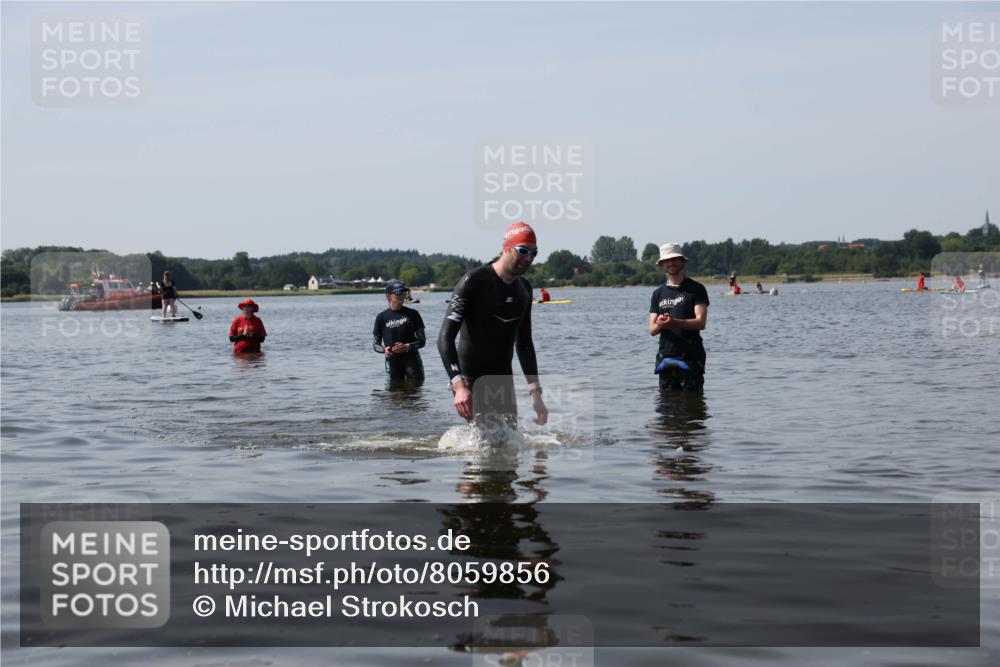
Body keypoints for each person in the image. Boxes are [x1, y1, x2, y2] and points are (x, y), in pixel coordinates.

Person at [438, 221, 548, 428]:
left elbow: (524, 343)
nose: (529, 258)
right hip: (471, 380)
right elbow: (445, 338)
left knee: (509, 447)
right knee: (482, 449)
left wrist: (536, 394)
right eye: (523, 251)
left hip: (502, 380)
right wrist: (458, 384)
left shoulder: (524, 289)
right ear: (506, 248)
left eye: (534, 253)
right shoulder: (473, 281)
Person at [649, 243, 710, 393]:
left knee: (693, 408)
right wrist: (661, 324)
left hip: (690, 357)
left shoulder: (696, 289)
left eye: (674, 259)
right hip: (666, 358)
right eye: (667, 260)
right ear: (662, 264)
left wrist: (675, 322)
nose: (671, 263)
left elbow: (701, 322)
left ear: (682, 262)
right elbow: (652, 330)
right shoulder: (658, 293)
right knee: (666, 409)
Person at [372, 280, 426, 387]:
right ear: (389, 297)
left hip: (412, 360)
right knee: (394, 394)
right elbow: (375, 344)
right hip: (392, 361)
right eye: (398, 293)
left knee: (416, 392)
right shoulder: (381, 317)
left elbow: (422, 341)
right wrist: (384, 350)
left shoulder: (413, 314)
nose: (402, 295)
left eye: (404, 293)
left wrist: (407, 346)